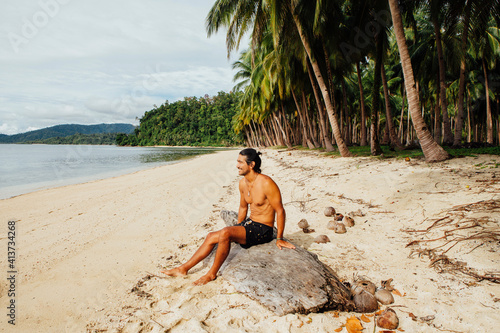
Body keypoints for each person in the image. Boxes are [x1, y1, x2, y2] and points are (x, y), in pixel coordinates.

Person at [161, 148, 295, 285]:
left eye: (240, 162)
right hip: (250, 223)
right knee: (211, 236)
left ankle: (211, 274)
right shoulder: (243, 183)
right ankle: (183, 269)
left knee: (225, 233)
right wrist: (238, 227)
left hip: (263, 229)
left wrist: (279, 238)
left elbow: (280, 210)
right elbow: (243, 207)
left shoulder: (266, 183)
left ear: (251, 165)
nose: (237, 165)